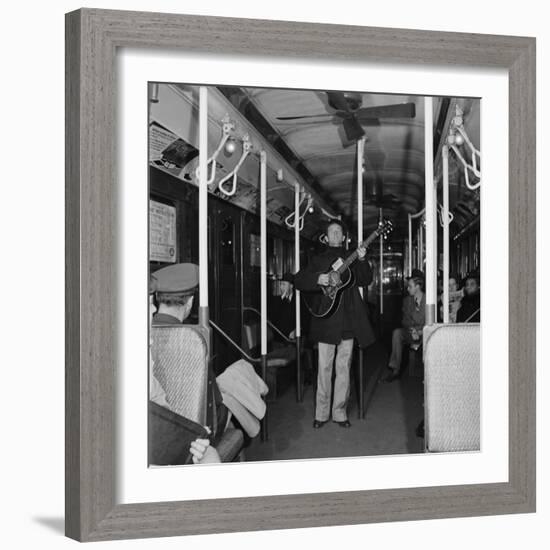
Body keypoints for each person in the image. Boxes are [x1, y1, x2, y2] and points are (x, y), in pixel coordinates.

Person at [294, 219, 375, 428]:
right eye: (332, 232)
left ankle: (340, 412)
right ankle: (321, 414)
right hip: (326, 321)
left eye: (339, 231)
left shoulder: (353, 258)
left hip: (348, 321)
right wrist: (318, 279)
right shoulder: (317, 259)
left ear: (344, 236)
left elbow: (366, 280)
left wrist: (364, 260)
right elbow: (299, 280)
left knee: (343, 368)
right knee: (324, 368)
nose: (336, 235)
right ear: (326, 237)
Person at [149, 265, 221, 464]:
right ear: (190, 302)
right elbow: (214, 404)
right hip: (187, 435)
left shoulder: (145, 333)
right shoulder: (193, 342)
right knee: (237, 379)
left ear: (157, 300)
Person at [381, 273, 425, 383]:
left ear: (418, 286)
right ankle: (395, 370)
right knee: (397, 333)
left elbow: (430, 320)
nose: (407, 288)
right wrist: (413, 329)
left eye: (410, 286)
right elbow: (405, 321)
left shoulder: (428, 300)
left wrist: (419, 331)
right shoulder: (407, 301)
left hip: (425, 332)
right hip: (411, 332)